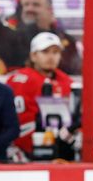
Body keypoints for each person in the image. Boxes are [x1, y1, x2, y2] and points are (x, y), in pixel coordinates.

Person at [6, 32, 73, 160]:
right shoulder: (22, 79)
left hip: (60, 147)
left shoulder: (66, 81)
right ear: (33, 56)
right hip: (25, 147)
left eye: (55, 52)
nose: (51, 57)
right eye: (45, 52)